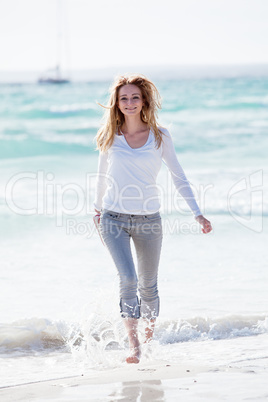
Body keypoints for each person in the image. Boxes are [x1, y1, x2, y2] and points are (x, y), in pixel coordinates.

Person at [93, 73, 212, 364]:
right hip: (113, 219)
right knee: (129, 278)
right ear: (117, 103)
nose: (130, 102)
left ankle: (147, 339)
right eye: (124, 98)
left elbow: (178, 175)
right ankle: (134, 347)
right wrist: (97, 211)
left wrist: (197, 212)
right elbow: (101, 177)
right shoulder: (110, 136)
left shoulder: (160, 136)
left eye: (135, 97)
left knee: (148, 285)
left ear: (144, 100)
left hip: (149, 220)